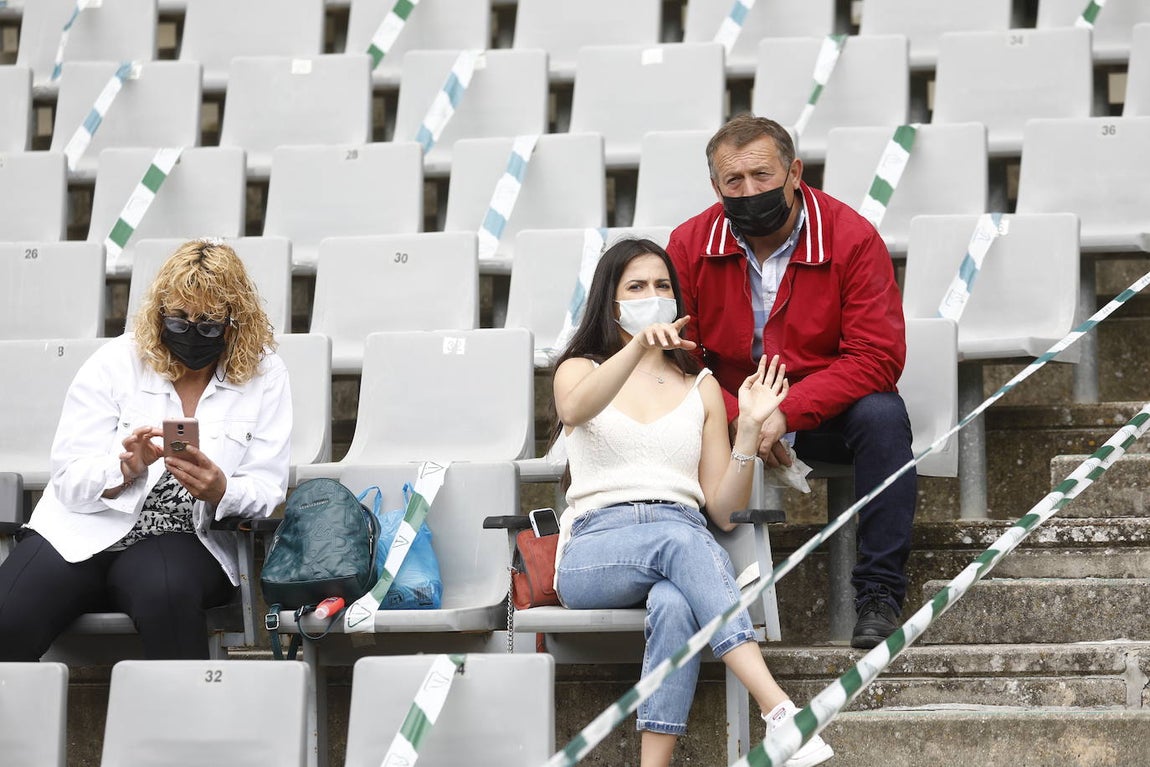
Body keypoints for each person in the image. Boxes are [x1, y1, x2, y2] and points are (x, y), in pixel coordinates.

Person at [551, 238, 833, 767]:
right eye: (636, 287)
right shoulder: (579, 368)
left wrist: (747, 432)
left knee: (677, 602)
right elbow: (574, 410)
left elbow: (723, 511)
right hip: (596, 548)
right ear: (609, 301)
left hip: (680, 535)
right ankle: (777, 710)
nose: (652, 295)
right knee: (681, 539)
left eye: (662, 286)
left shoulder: (699, 385)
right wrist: (635, 346)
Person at [665, 114, 916, 650]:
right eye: (734, 182)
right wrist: (743, 421)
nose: (749, 190)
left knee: (884, 416)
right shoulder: (688, 244)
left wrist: (784, 413)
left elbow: (877, 356)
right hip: (729, 409)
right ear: (716, 186)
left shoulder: (852, 238)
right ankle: (689, 591)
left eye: (762, 175)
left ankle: (879, 593)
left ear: (795, 172)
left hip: (824, 407)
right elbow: (681, 356)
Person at [0, 240, 292, 661]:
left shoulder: (265, 375)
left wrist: (221, 490)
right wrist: (123, 469)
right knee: (8, 616)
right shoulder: (116, 361)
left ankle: (179, 727)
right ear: (159, 315)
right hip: (82, 528)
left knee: (166, 596)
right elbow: (68, 477)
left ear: (235, 323)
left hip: (184, 536)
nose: (192, 334)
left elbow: (267, 488)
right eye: (179, 320)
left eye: (209, 324)